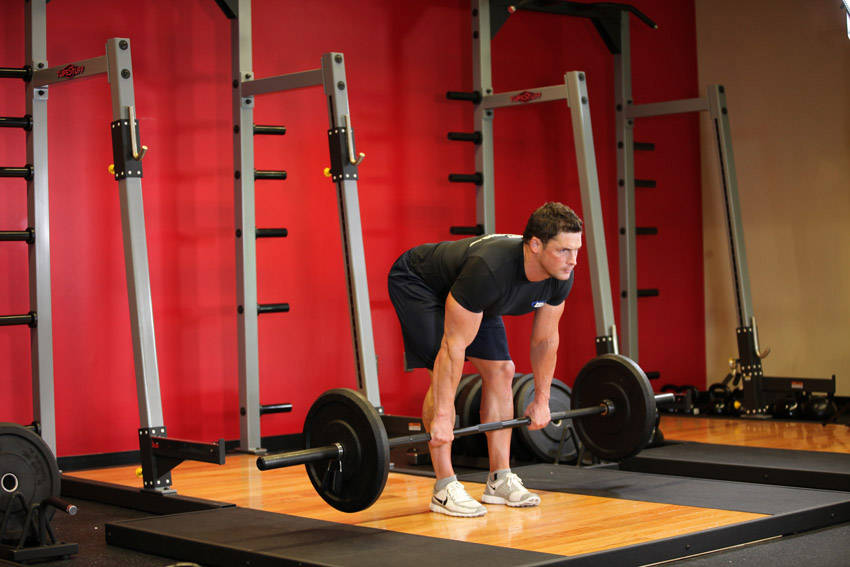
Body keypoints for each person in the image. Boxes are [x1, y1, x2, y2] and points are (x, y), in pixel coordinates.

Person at [387, 202, 582, 517]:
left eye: (576, 250)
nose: (573, 260)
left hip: (474, 294)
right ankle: (444, 485)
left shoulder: (560, 276)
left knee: (503, 371)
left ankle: (499, 478)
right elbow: (453, 348)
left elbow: (545, 340)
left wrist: (542, 399)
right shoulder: (490, 268)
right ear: (535, 245)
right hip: (419, 283)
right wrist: (442, 416)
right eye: (563, 250)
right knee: (442, 371)